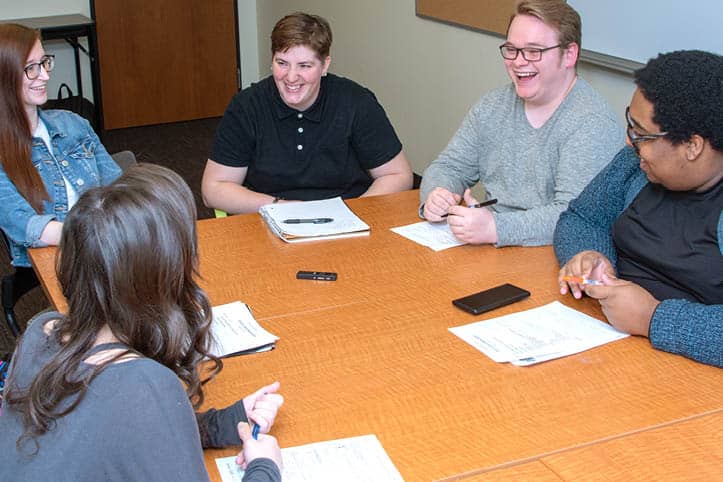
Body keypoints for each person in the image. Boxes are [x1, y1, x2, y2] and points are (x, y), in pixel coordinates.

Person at [0, 164, 284, 481]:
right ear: (160, 278)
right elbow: (135, 415)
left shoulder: (41, 331)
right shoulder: (142, 385)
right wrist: (264, 467)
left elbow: (120, 432)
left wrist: (224, 422)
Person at [555, 50, 722, 368]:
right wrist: (592, 254)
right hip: (602, 343)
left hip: (688, 375)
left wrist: (652, 318)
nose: (630, 143)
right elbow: (581, 217)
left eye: (641, 134)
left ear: (692, 146)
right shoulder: (636, 165)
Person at [420, 0, 623, 247]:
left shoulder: (592, 123)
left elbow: (575, 217)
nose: (518, 62)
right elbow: (449, 166)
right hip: (491, 249)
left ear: (569, 54)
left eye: (534, 51)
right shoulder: (493, 105)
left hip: (553, 257)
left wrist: (495, 228)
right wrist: (437, 194)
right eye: (512, 49)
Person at [202, 12, 413, 214]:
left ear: (324, 65)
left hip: (347, 216)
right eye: (282, 63)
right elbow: (214, 189)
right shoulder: (247, 106)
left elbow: (398, 175)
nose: (291, 77)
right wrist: (280, 206)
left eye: (304, 65)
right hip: (268, 215)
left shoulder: (356, 102)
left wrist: (352, 213)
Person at [0, 23, 121, 267]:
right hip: (57, 255)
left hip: (108, 242)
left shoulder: (73, 123)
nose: (45, 75)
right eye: (31, 69)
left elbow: (117, 186)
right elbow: (26, 226)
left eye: (44, 63)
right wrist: (99, 233)